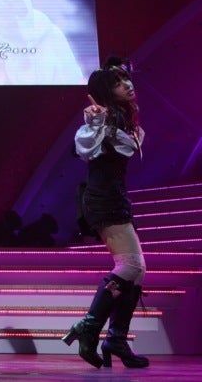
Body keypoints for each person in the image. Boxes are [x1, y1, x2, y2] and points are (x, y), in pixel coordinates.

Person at [62, 56, 148, 369]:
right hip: (103, 198)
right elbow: (83, 148)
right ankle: (89, 327)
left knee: (137, 269)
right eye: (117, 83)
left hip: (115, 196)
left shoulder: (123, 120)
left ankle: (116, 338)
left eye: (126, 79)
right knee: (130, 264)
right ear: (105, 93)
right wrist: (97, 123)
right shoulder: (101, 120)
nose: (127, 85)